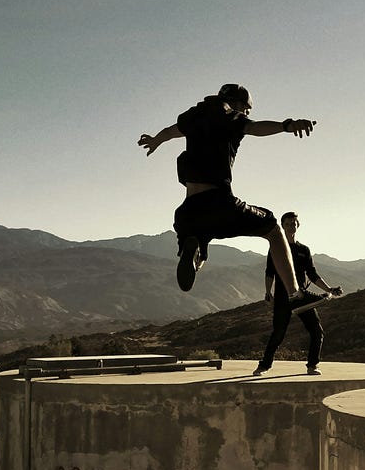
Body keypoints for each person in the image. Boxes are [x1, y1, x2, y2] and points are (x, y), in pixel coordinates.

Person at [138, 84, 330, 315]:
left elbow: (171, 131)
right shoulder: (229, 115)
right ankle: (295, 295)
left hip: (187, 211)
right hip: (219, 203)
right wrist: (286, 126)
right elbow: (255, 128)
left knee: (198, 242)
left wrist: (155, 141)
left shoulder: (194, 115)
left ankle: (194, 252)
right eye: (247, 108)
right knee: (272, 227)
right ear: (237, 102)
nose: (247, 113)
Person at [253, 212, 342, 376]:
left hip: (302, 297)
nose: (292, 225)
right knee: (278, 333)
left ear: (298, 225)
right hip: (282, 296)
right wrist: (267, 292)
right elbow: (270, 272)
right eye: (288, 223)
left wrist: (329, 290)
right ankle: (263, 366)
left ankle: (312, 366)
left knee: (316, 331)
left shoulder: (304, 250)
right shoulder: (276, 249)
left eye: (294, 222)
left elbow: (313, 274)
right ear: (283, 226)